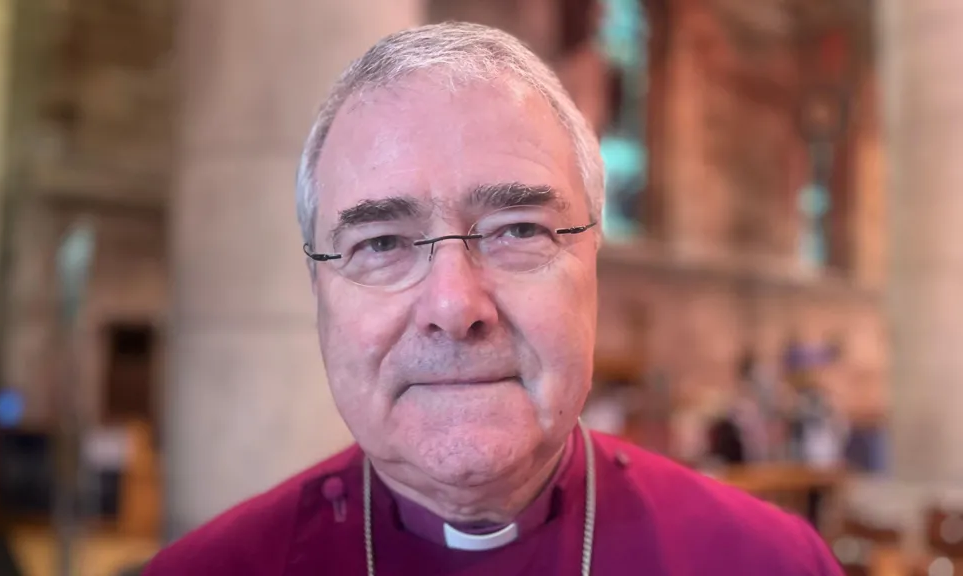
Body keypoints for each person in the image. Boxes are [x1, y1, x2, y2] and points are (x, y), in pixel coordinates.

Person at [144, 22, 842, 575]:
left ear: (592, 259)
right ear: (319, 289)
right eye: (382, 243)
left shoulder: (768, 562)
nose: (454, 304)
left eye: (516, 230)